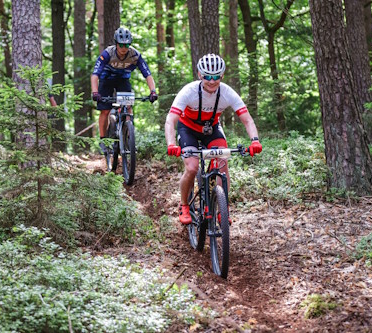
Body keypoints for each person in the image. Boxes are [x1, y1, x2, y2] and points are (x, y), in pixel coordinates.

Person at [165, 53, 262, 225]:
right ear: (200, 75)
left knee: (223, 165)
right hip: (188, 129)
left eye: (216, 76)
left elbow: (247, 119)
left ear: (222, 76)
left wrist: (254, 140)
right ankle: (184, 205)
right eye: (207, 76)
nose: (212, 81)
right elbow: (171, 120)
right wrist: (171, 143)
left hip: (212, 130)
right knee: (192, 167)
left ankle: (222, 209)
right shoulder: (189, 91)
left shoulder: (227, 93)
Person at [91, 26, 158, 154]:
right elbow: (95, 75)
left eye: (127, 45)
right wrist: (95, 92)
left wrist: (153, 91)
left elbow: (147, 74)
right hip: (106, 80)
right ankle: (103, 140)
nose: (123, 48)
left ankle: (129, 138)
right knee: (105, 110)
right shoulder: (107, 53)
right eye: (121, 45)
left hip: (122, 80)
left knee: (128, 107)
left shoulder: (135, 55)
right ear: (116, 43)